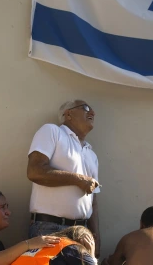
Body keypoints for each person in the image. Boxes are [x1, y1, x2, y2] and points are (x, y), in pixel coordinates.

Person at [26, 100, 100, 256]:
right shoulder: (52, 131)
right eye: (86, 108)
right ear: (68, 114)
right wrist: (79, 180)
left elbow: (93, 200)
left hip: (83, 231)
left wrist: (96, 236)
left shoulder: (91, 154)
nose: (92, 113)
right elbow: (34, 171)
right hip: (49, 228)